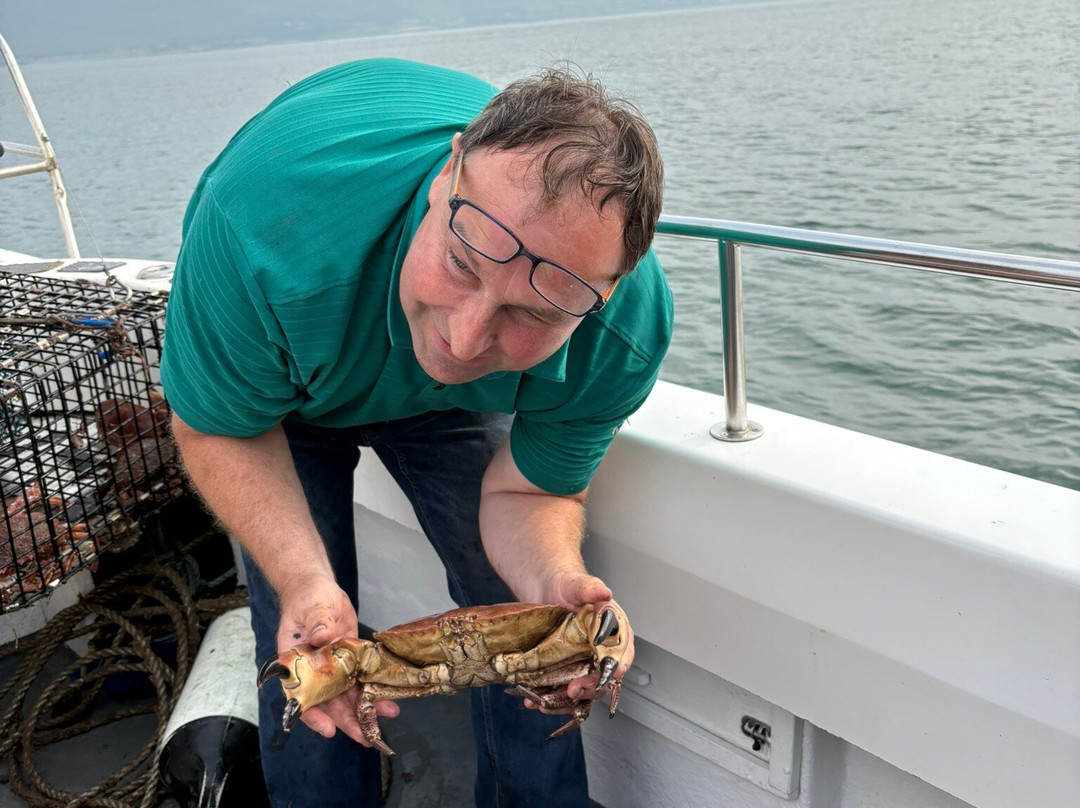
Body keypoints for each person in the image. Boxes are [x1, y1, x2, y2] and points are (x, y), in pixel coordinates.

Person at [161, 57, 672, 808]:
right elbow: (220, 428)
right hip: (291, 382)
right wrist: (305, 580)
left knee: (531, 622)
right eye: (462, 265)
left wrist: (556, 576)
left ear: (609, 295)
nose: (465, 341)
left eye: (534, 312)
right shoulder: (263, 227)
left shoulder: (620, 332)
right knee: (309, 634)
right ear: (447, 174)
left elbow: (532, 489)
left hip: (441, 401)